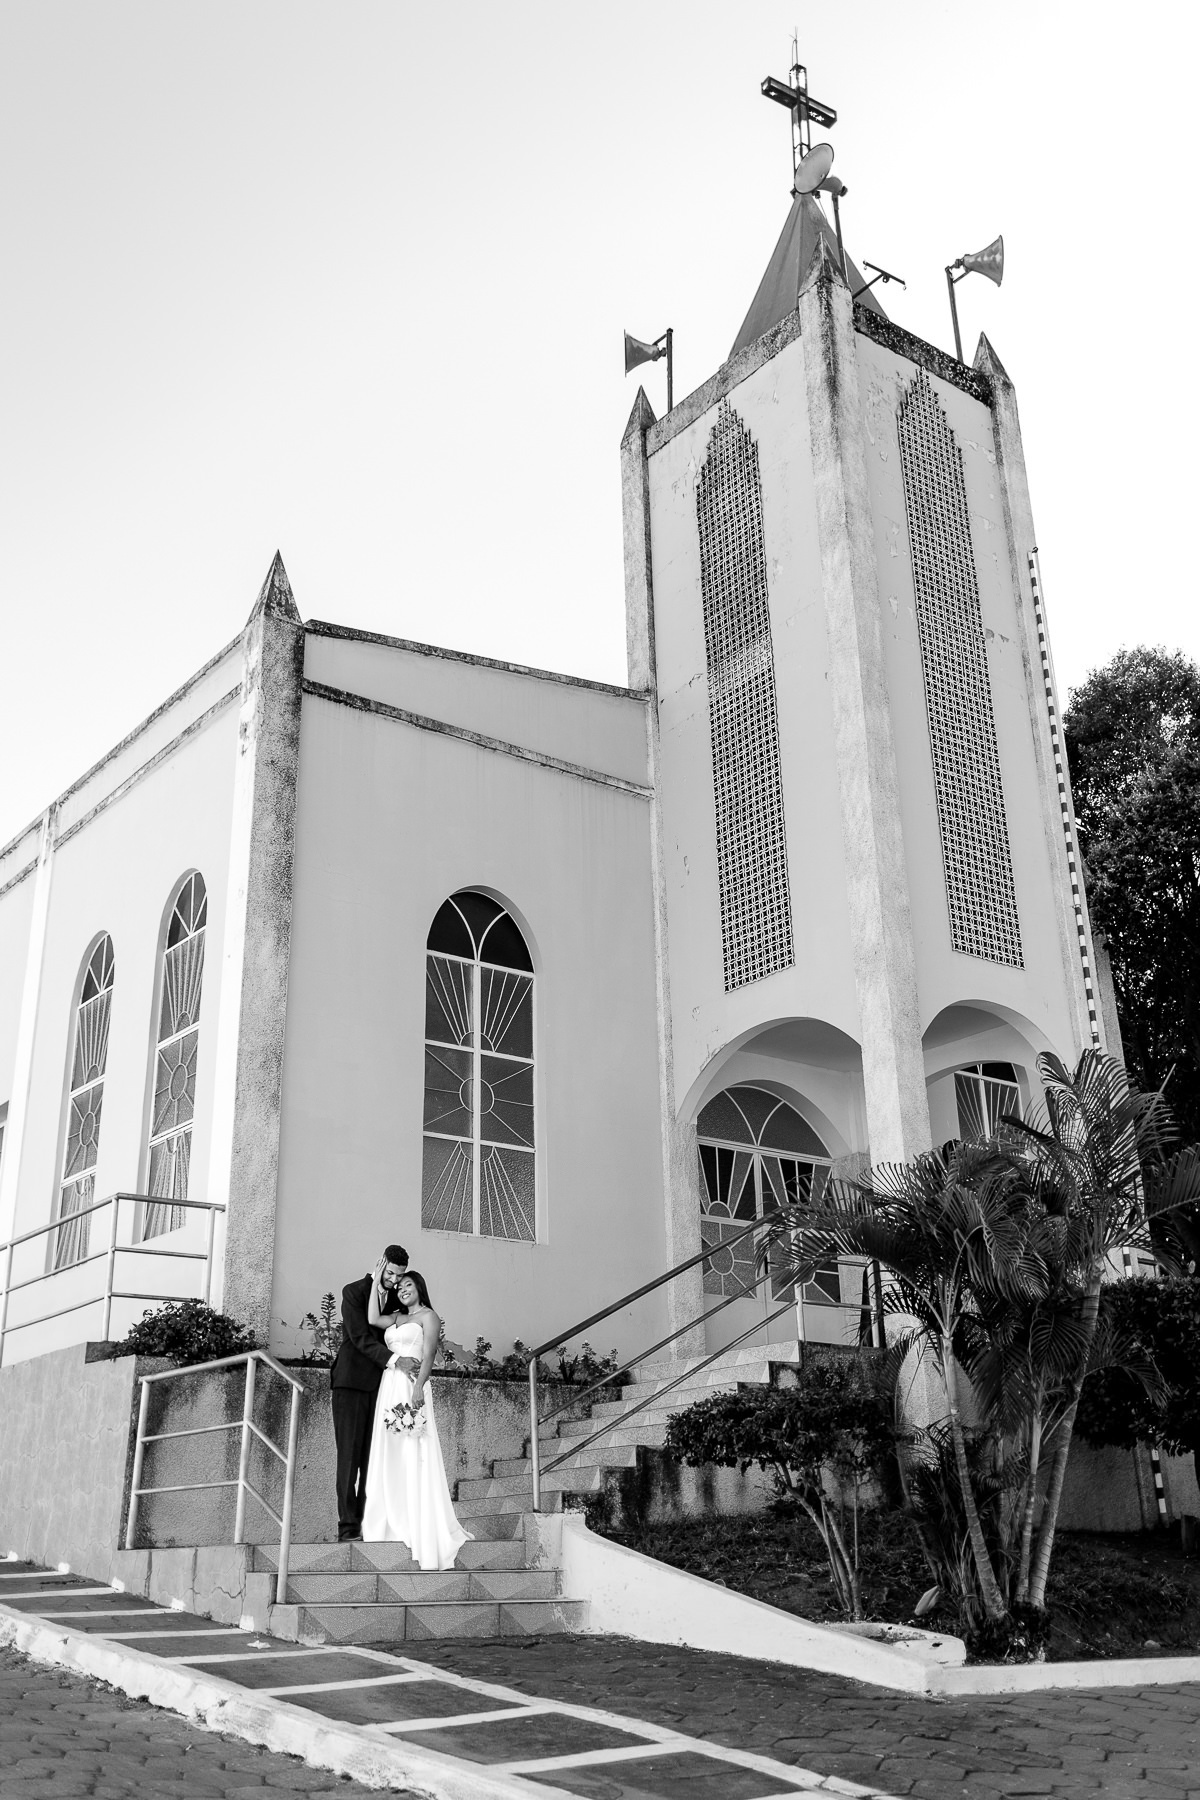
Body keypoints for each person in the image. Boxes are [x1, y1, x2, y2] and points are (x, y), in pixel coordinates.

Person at [360, 1268, 472, 1568]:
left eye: (408, 1285)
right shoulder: (397, 1317)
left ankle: (415, 1517)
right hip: (389, 1387)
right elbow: (372, 1319)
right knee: (390, 1450)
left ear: (419, 1287)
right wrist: (375, 1279)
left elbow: (429, 1354)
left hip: (411, 1387)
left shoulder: (428, 1317)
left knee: (413, 1450)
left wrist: (419, 1389)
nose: (402, 1290)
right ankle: (387, 1518)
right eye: (399, 1287)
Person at [329, 1244, 420, 1542]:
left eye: (399, 1276)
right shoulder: (353, 1292)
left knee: (373, 1458)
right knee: (350, 1457)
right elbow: (359, 1338)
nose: (394, 1281)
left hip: (383, 1389)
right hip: (351, 1383)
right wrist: (397, 1361)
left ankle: (369, 1523)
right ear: (380, 1264)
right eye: (391, 1273)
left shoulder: (397, 1298)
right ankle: (348, 1528)